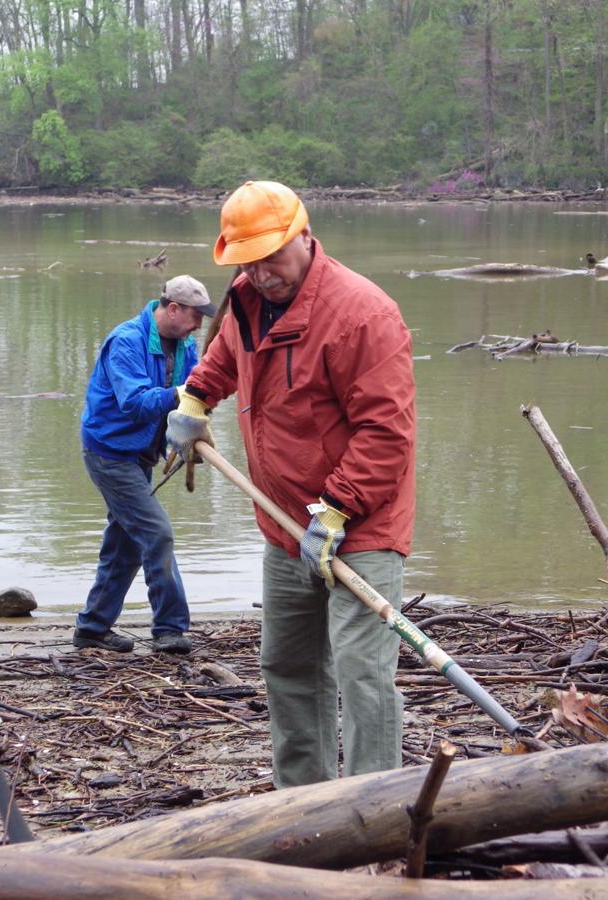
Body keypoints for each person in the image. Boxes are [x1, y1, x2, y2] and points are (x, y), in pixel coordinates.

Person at [165, 181, 416, 787]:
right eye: (248, 260)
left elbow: (387, 432)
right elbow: (226, 356)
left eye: (272, 256)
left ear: (304, 235)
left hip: (359, 526)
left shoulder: (363, 313)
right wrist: (196, 398)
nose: (261, 272)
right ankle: (299, 802)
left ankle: (372, 808)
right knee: (287, 665)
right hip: (283, 524)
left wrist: (336, 510)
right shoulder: (248, 300)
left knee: (361, 673)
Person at [75, 275, 216, 655]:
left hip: (141, 455)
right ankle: (169, 629)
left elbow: (195, 391)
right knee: (157, 534)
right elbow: (135, 403)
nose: (199, 325)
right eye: (194, 316)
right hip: (109, 453)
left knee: (125, 545)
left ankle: (92, 628)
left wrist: (192, 422)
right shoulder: (126, 342)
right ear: (172, 309)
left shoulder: (184, 345)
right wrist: (180, 394)